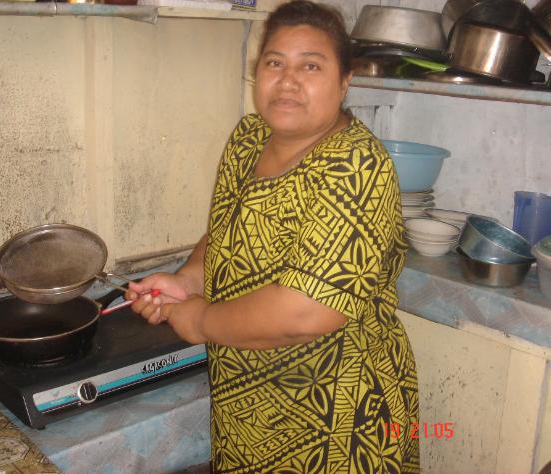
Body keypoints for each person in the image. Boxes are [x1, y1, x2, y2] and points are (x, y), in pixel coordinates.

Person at [126, 1, 419, 472]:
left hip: (337, 415)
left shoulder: (357, 166)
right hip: (249, 407)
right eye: (275, 63)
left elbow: (309, 309)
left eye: (311, 66)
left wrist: (201, 320)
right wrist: (189, 279)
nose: (287, 80)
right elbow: (226, 226)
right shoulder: (249, 137)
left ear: (345, 81)